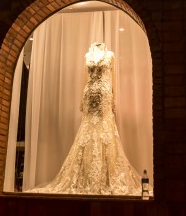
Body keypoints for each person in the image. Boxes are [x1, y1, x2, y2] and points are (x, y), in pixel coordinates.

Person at [26, 42, 142, 195]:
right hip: (89, 94)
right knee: (87, 132)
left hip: (104, 95)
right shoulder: (87, 55)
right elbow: (85, 78)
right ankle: (85, 177)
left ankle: (105, 179)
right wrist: (82, 99)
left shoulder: (110, 55)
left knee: (104, 133)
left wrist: (113, 99)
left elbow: (112, 78)